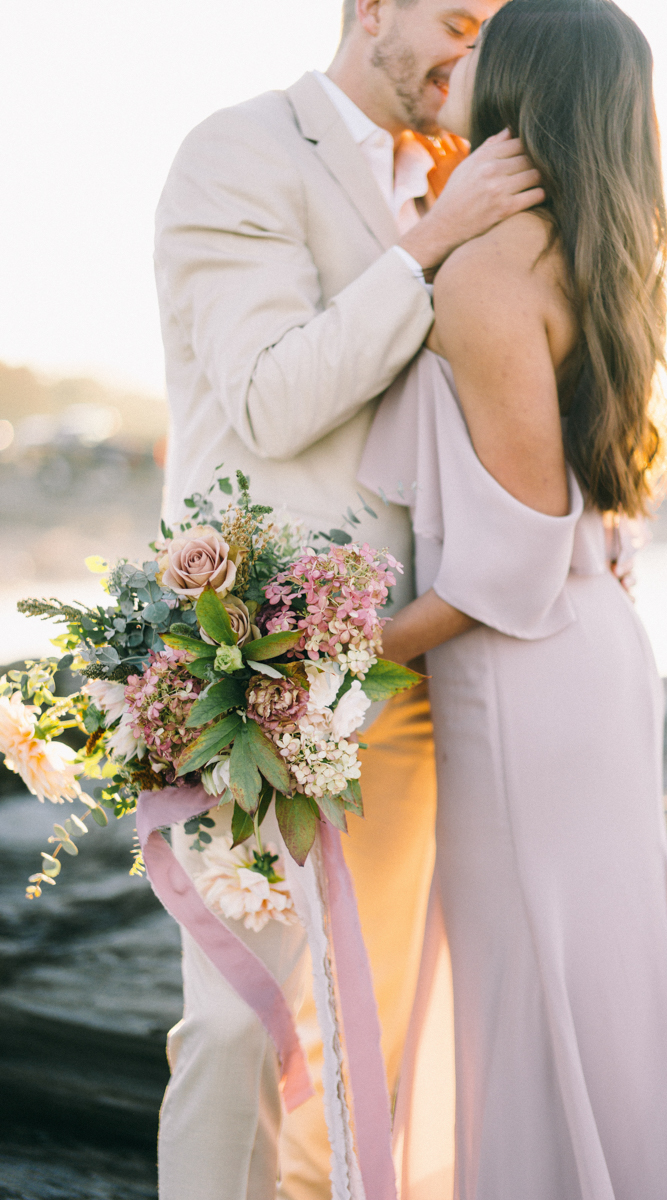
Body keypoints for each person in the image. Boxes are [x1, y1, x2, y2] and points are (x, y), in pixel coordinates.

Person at [360, 1, 667, 1196]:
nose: (464, 45)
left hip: (523, 669)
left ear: (525, 78)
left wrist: (335, 658)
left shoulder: (490, 269)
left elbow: (515, 559)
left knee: (537, 980)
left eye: (487, 36)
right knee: (586, 978)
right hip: (581, 652)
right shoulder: (581, 247)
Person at [153, 1, 544, 1197]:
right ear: (369, 7)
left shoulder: (458, 169)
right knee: (236, 1021)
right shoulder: (241, 150)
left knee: (373, 1036)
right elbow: (272, 400)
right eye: (453, 19)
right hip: (254, 666)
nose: (466, 54)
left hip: (420, 666)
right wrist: (431, 244)